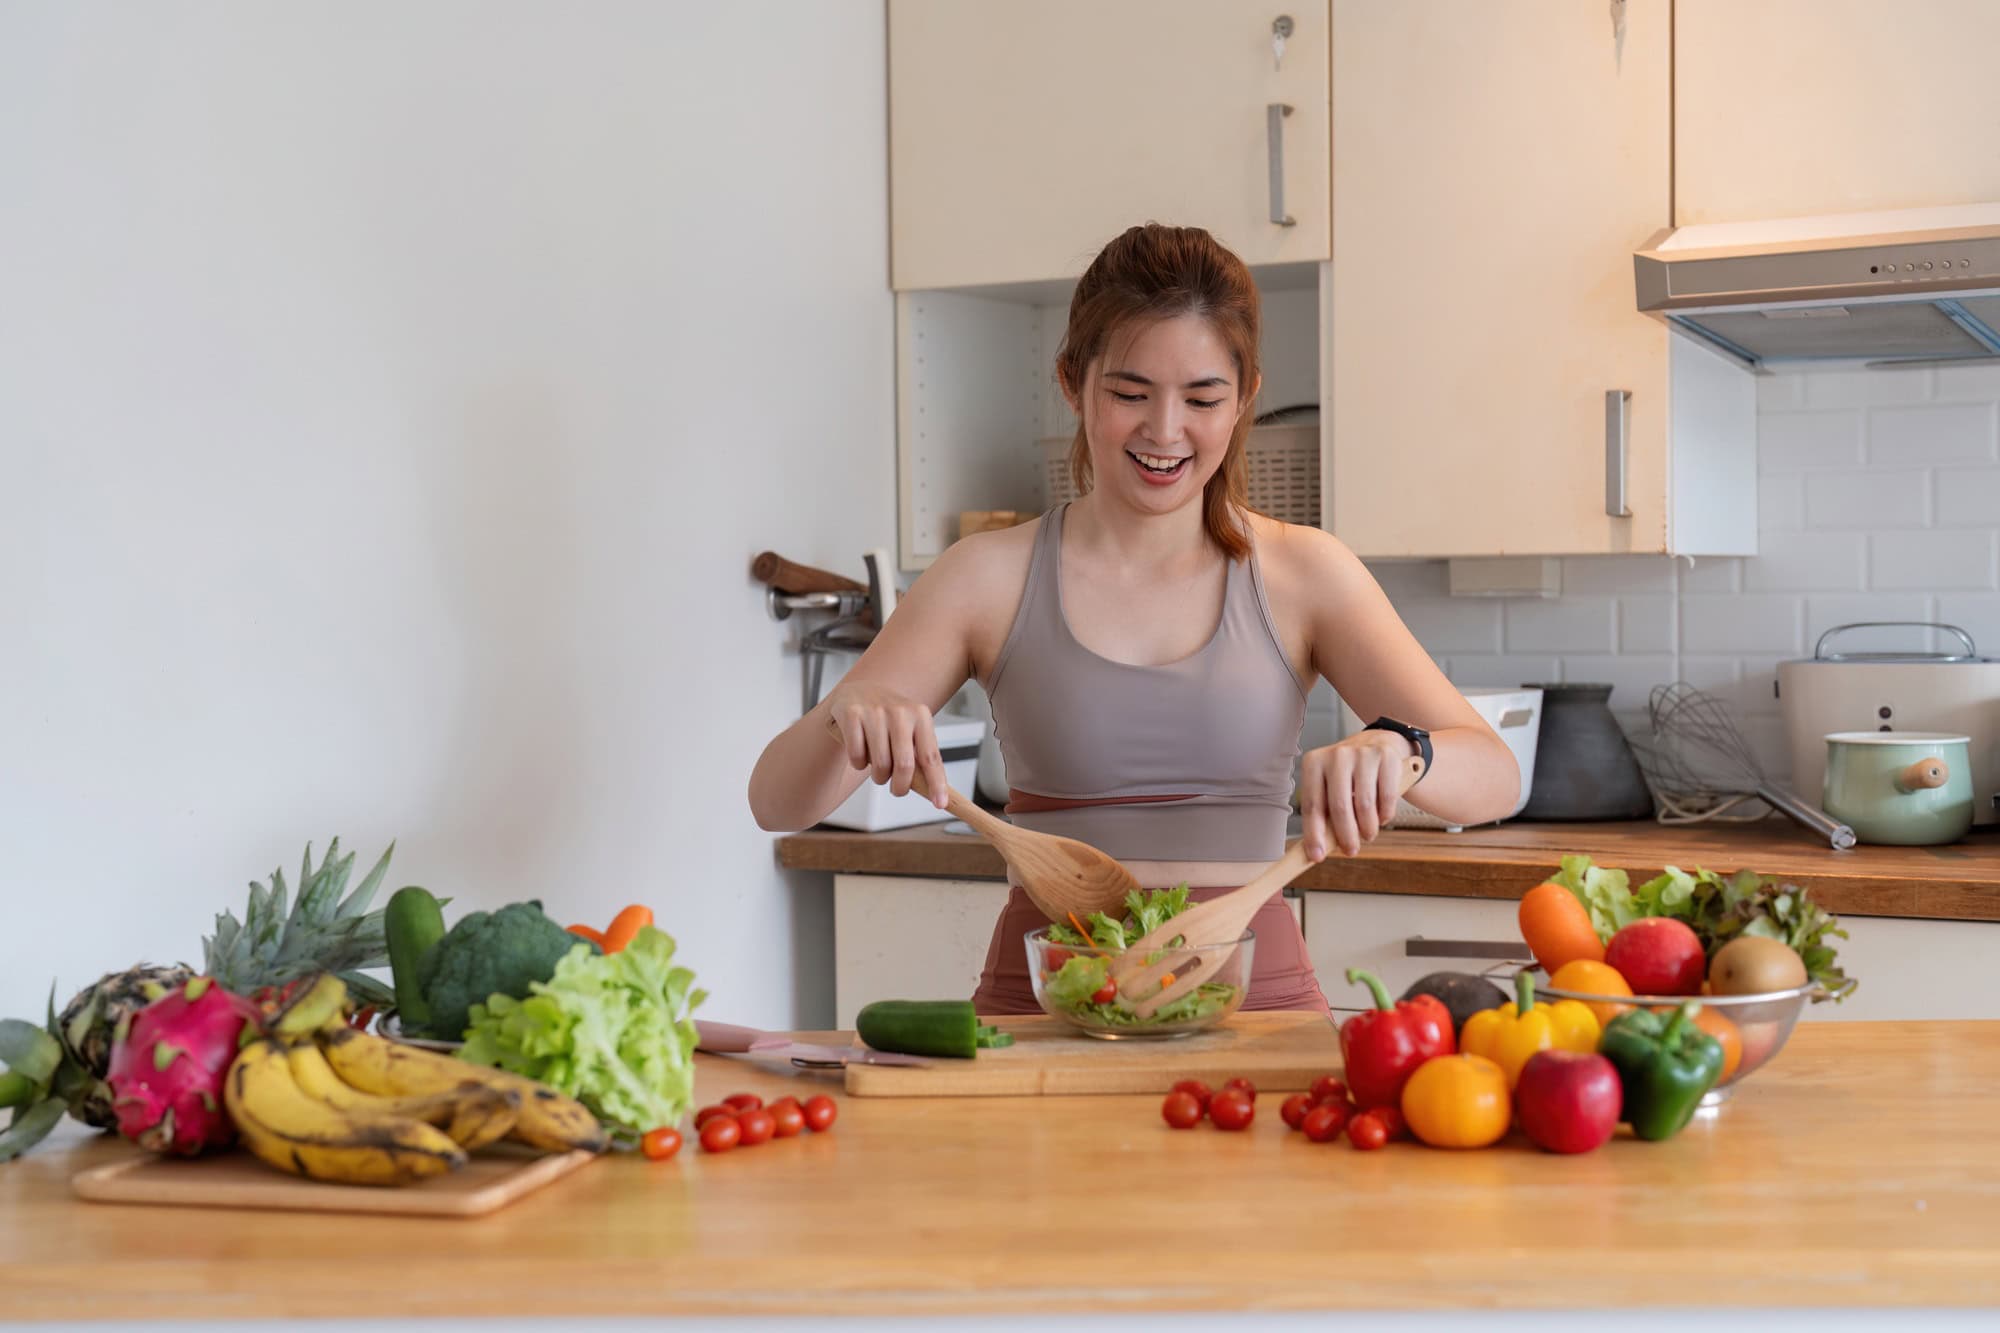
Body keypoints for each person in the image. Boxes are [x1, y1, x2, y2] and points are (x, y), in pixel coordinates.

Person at [749, 223, 1519, 1016]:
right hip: (1041, 1011)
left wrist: (1404, 750)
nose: (1164, 429)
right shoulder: (987, 575)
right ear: (1072, 383)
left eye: (1202, 397)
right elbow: (776, 801)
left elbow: (1495, 775)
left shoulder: (1305, 572)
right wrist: (845, 716)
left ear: (1246, 395)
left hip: (1258, 1012)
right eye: (1128, 393)